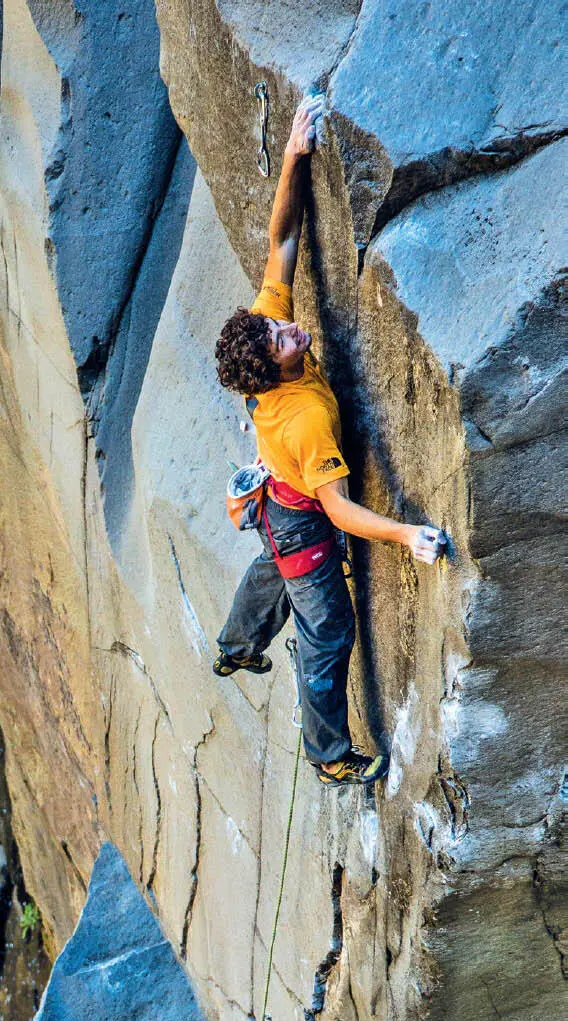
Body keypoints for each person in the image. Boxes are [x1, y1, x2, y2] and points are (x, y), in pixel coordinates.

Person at [213, 93, 446, 786]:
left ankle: (236, 645)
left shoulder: (263, 334)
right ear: (273, 369)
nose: (292, 331)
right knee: (326, 632)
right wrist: (409, 536)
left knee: (273, 566)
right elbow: (338, 512)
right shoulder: (305, 418)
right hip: (300, 515)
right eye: (284, 340)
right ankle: (328, 756)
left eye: (281, 328)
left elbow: (282, 240)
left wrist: (295, 151)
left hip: (275, 497)